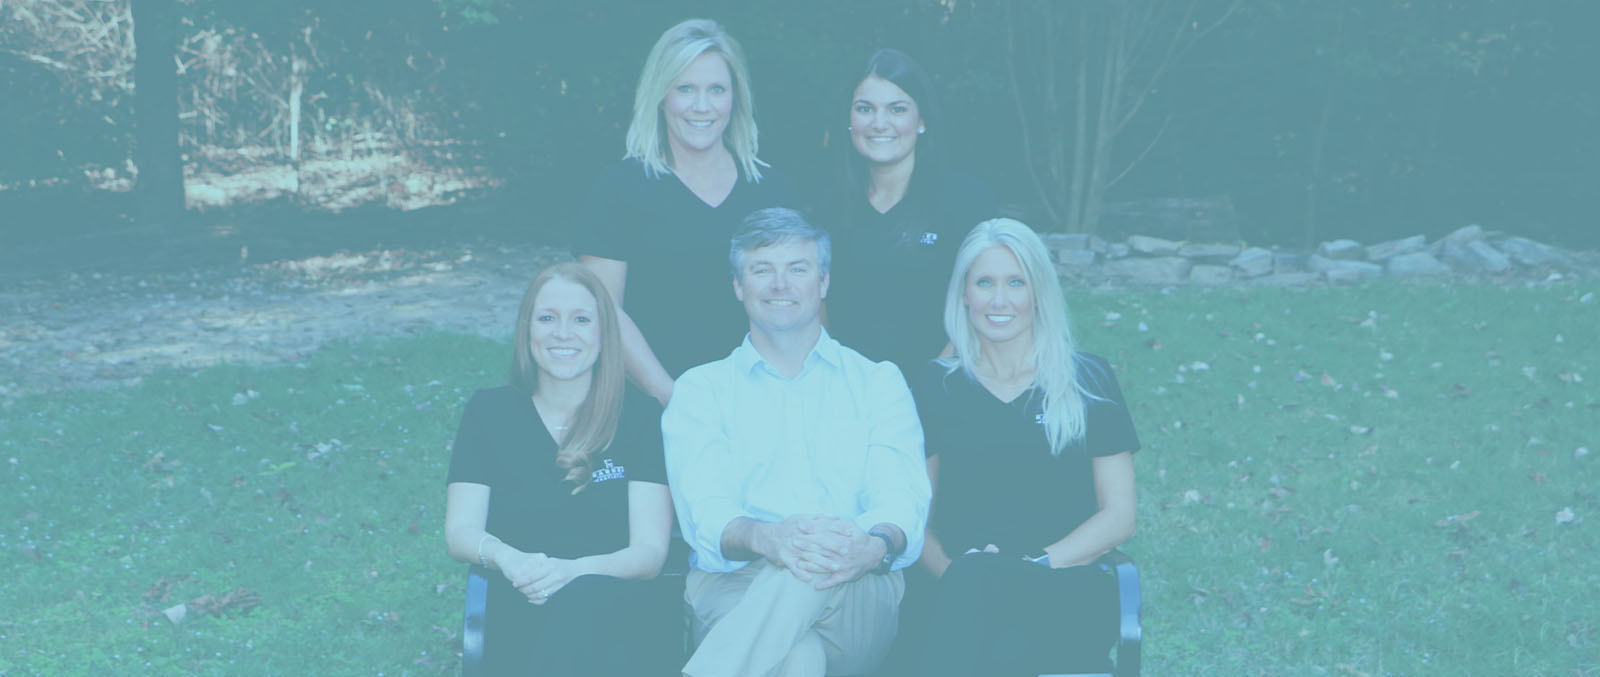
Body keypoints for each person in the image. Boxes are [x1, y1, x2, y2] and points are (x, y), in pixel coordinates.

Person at [663, 208, 931, 677]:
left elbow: (900, 500)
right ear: (738, 286)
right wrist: (769, 538)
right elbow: (707, 515)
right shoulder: (700, 391)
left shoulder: (878, 383)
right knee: (798, 659)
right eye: (762, 270)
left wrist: (870, 546)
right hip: (735, 586)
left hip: (857, 584)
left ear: (823, 282)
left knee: (816, 554)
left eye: (797, 269)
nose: (780, 284)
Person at [912, 218, 1139, 676]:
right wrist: (958, 575)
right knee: (983, 616)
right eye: (985, 283)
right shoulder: (936, 386)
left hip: (1064, 585)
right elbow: (918, 522)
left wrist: (1031, 566)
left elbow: (1120, 516)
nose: (999, 300)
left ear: (1038, 292)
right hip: (958, 590)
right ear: (964, 293)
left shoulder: (1088, 380)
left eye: (1016, 282)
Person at [443, 262, 678, 675]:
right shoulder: (489, 413)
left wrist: (572, 572)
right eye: (548, 318)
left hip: (620, 618)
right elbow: (461, 532)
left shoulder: (640, 417)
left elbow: (649, 553)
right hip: (521, 604)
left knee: (585, 599)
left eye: (581, 319)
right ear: (526, 329)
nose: (563, 333)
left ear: (605, 332)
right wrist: (509, 559)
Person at [578, 18, 800, 406]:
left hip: (759, 403)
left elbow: (801, 305)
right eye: (685, 89)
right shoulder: (619, 189)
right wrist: (674, 398)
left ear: (735, 97)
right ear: (661, 96)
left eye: (716, 89)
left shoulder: (773, 191)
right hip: (651, 405)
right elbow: (604, 309)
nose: (702, 106)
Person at [823, 48, 996, 373]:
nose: (879, 123)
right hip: (847, 387)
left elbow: (987, 300)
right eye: (865, 109)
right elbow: (815, 304)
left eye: (897, 109)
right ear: (849, 120)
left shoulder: (965, 201)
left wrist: (935, 379)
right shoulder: (827, 206)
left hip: (941, 384)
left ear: (922, 120)